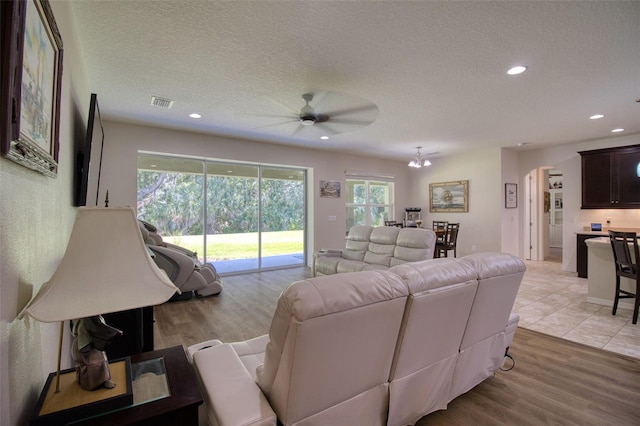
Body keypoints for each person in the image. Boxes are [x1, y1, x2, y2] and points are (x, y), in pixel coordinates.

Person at [71, 315, 122, 390]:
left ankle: (104, 380)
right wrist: (114, 332)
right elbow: (98, 328)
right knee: (91, 364)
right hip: (86, 343)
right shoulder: (87, 318)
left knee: (101, 362)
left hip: (89, 342)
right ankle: (90, 384)